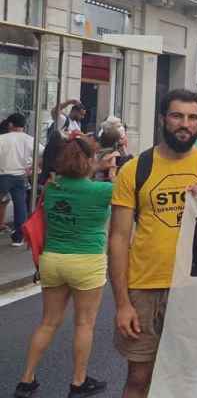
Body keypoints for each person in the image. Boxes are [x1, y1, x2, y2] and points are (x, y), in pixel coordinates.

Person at [108, 90, 197, 397]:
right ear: (163, 119)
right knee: (140, 378)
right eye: (177, 116)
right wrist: (122, 303)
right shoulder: (135, 169)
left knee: (196, 379)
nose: (185, 124)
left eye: (193, 118)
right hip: (146, 289)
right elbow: (119, 238)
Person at [14, 136, 118, 398]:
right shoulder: (103, 191)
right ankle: (78, 382)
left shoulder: (53, 187)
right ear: (90, 161)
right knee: (84, 324)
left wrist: (95, 165)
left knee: (48, 322)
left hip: (53, 259)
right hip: (86, 261)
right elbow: (122, 194)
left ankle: (26, 380)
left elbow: (75, 176)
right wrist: (111, 170)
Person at [0, 114, 39, 247]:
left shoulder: (2, 138)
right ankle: (18, 238)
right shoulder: (30, 139)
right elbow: (42, 152)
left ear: (10, 124)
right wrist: (33, 166)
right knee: (20, 206)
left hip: (3, 175)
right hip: (20, 176)